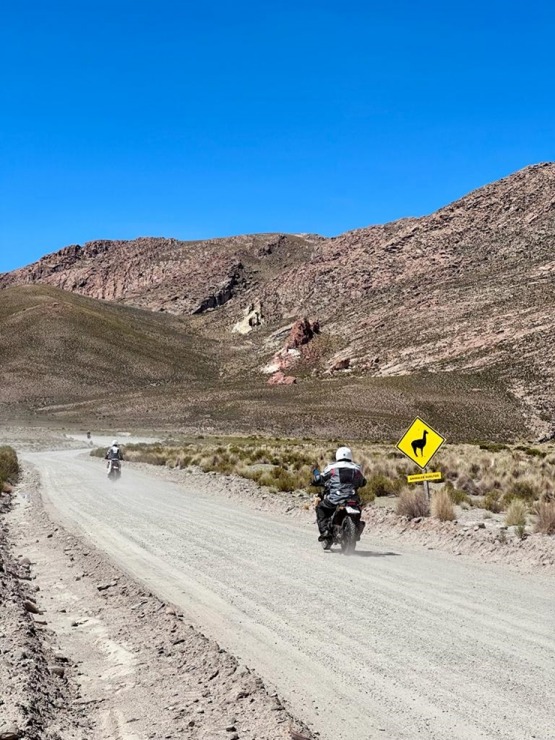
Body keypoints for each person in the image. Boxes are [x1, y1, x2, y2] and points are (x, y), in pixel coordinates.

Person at [312, 446, 367, 541]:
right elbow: (363, 482)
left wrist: (315, 480)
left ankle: (325, 531)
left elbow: (320, 478)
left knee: (320, 507)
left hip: (335, 498)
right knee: (358, 506)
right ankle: (356, 528)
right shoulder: (357, 468)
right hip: (352, 498)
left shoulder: (332, 467)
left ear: (338, 455)